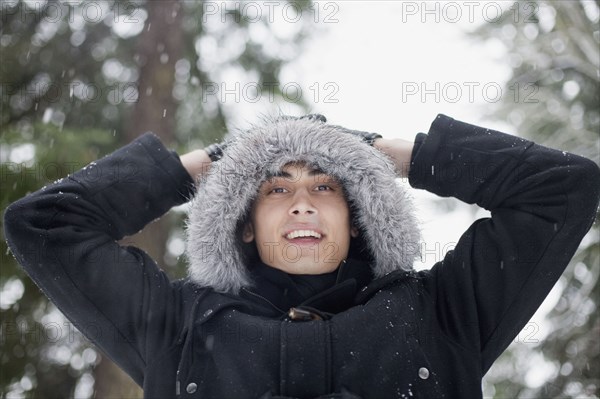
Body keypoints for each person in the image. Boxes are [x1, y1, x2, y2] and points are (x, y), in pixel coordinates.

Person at [4, 113, 599, 399]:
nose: (301, 205)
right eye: (276, 189)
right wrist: (216, 163)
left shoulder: (442, 312)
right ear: (242, 225)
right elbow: (43, 225)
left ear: (358, 217)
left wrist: (380, 153)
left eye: (325, 187)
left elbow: (562, 188)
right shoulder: (178, 325)